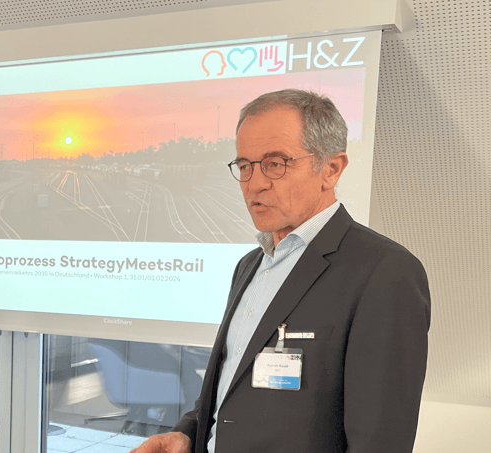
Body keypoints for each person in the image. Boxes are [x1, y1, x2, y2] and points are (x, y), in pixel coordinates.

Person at [131, 89, 431, 453]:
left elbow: (380, 442)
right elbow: (233, 389)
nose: (255, 183)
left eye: (276, 163)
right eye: (245, 166)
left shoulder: (384, 273)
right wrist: (188, 434)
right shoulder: (249, 266)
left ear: (331, 169)